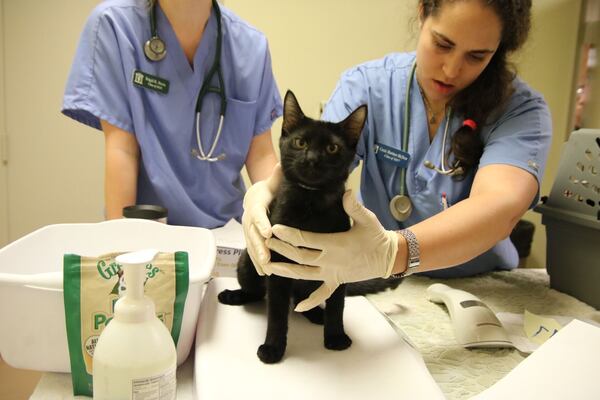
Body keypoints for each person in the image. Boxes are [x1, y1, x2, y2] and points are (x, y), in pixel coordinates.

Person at [242, 0, 552, 312]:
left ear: (498, 50)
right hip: (382, 284)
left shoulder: (520, 111)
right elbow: (317, 163)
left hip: (479, 292)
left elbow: (500, 207)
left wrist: (394, 252)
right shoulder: (368, 86)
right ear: (422, 13)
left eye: (477, 56)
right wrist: (268, 190)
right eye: (442, 44)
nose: (452, 69)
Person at [62, 0, 281, 227]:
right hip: (149, 231)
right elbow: (122, 148)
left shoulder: (251, 47)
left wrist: (277, 233)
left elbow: (261, 155)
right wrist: (122, 244)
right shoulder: (117, 26)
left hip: (226, 234)